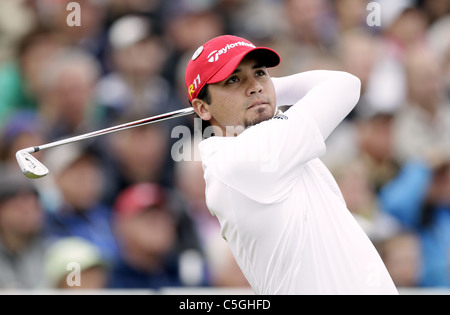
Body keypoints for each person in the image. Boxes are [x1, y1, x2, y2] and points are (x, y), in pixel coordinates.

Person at [185, 35, 398, 294]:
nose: (255, 86)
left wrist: (261, 91)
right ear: (202, 108)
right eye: (233, 79)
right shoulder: (245, 158)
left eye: (260, 73)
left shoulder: (256, 149)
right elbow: (345, 84)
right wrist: (269, 88)